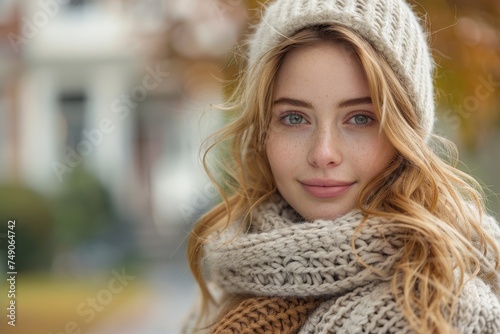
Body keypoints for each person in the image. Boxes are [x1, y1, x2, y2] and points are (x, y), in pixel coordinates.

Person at [184, 0, 500, 333]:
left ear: (406, 135)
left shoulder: (453, 313)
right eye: (294, 118)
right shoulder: (225, 290)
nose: (323, 153)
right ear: (263, 129)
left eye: (361, 118)